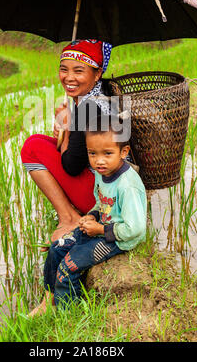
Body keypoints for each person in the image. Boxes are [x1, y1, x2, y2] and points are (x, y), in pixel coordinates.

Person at [29, 116, 147, 316]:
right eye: (93, 153)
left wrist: (100, 229)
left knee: (69, 266)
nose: (99, 161)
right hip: (102, 226)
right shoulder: (103, 172)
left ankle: (68, 314)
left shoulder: (128, 185)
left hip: (119, 239)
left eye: (107, 153)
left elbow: (135, 229)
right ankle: (50, 300)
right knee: (57, 248)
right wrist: (92, 215)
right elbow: (101, 201)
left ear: (123, 152)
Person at [20, 39, 114, 242]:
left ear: (97, 74)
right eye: (64, 69)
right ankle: (70, 213)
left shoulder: (89, 109)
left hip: (101, 197)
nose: (69, 77)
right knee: (40, 141)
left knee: (31, 147)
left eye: (78, 71)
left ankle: (69, 218)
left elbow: (71, 166)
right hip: (110, 186)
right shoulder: (100, 93)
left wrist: (67, 129)